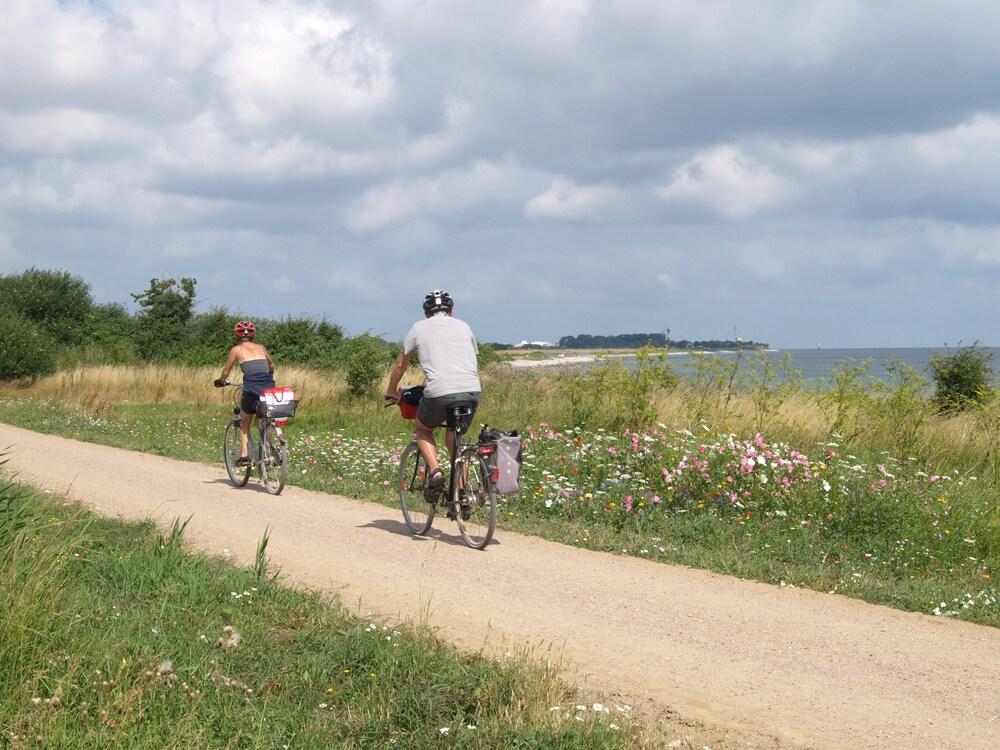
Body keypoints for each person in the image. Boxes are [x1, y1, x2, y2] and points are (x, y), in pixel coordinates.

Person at [385, 290, 481, 497]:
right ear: (451, 311)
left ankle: (436, 472)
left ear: (426, 313)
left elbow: (401, 365)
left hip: (439, 391)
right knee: (456, 437)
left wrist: (392, 390)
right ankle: (463, 493)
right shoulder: (464, 326)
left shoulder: (418, 328)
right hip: (471, 390)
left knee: (423, 429)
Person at [214, 320, 275, 466]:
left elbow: (226, 371)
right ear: (253, 335)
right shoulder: (261, 347)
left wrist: (221, 381)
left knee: (245, 421)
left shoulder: (236, 350)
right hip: (268, 386)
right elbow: (271, 365)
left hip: (251, 387)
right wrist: (267, 375)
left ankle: (245, 456)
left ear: (237, 335)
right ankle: (272, 450)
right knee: (263, 418)